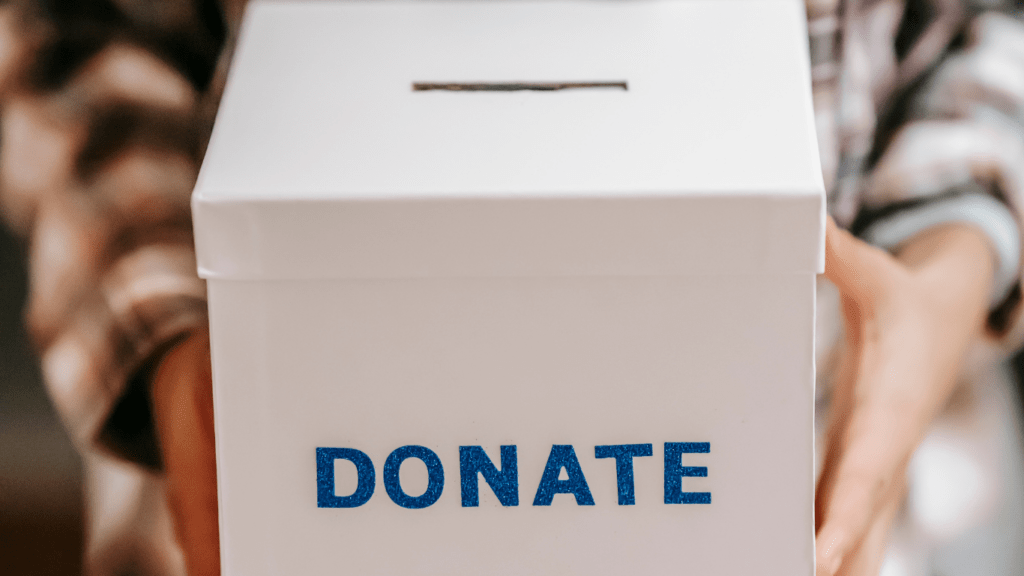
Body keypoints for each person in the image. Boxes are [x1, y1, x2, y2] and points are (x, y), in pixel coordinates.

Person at [0, 0, 1022, 575]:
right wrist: (174, 342)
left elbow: (988, 26)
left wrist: (944, 272)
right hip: (243, 475)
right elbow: (72, 33)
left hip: (838, 485)